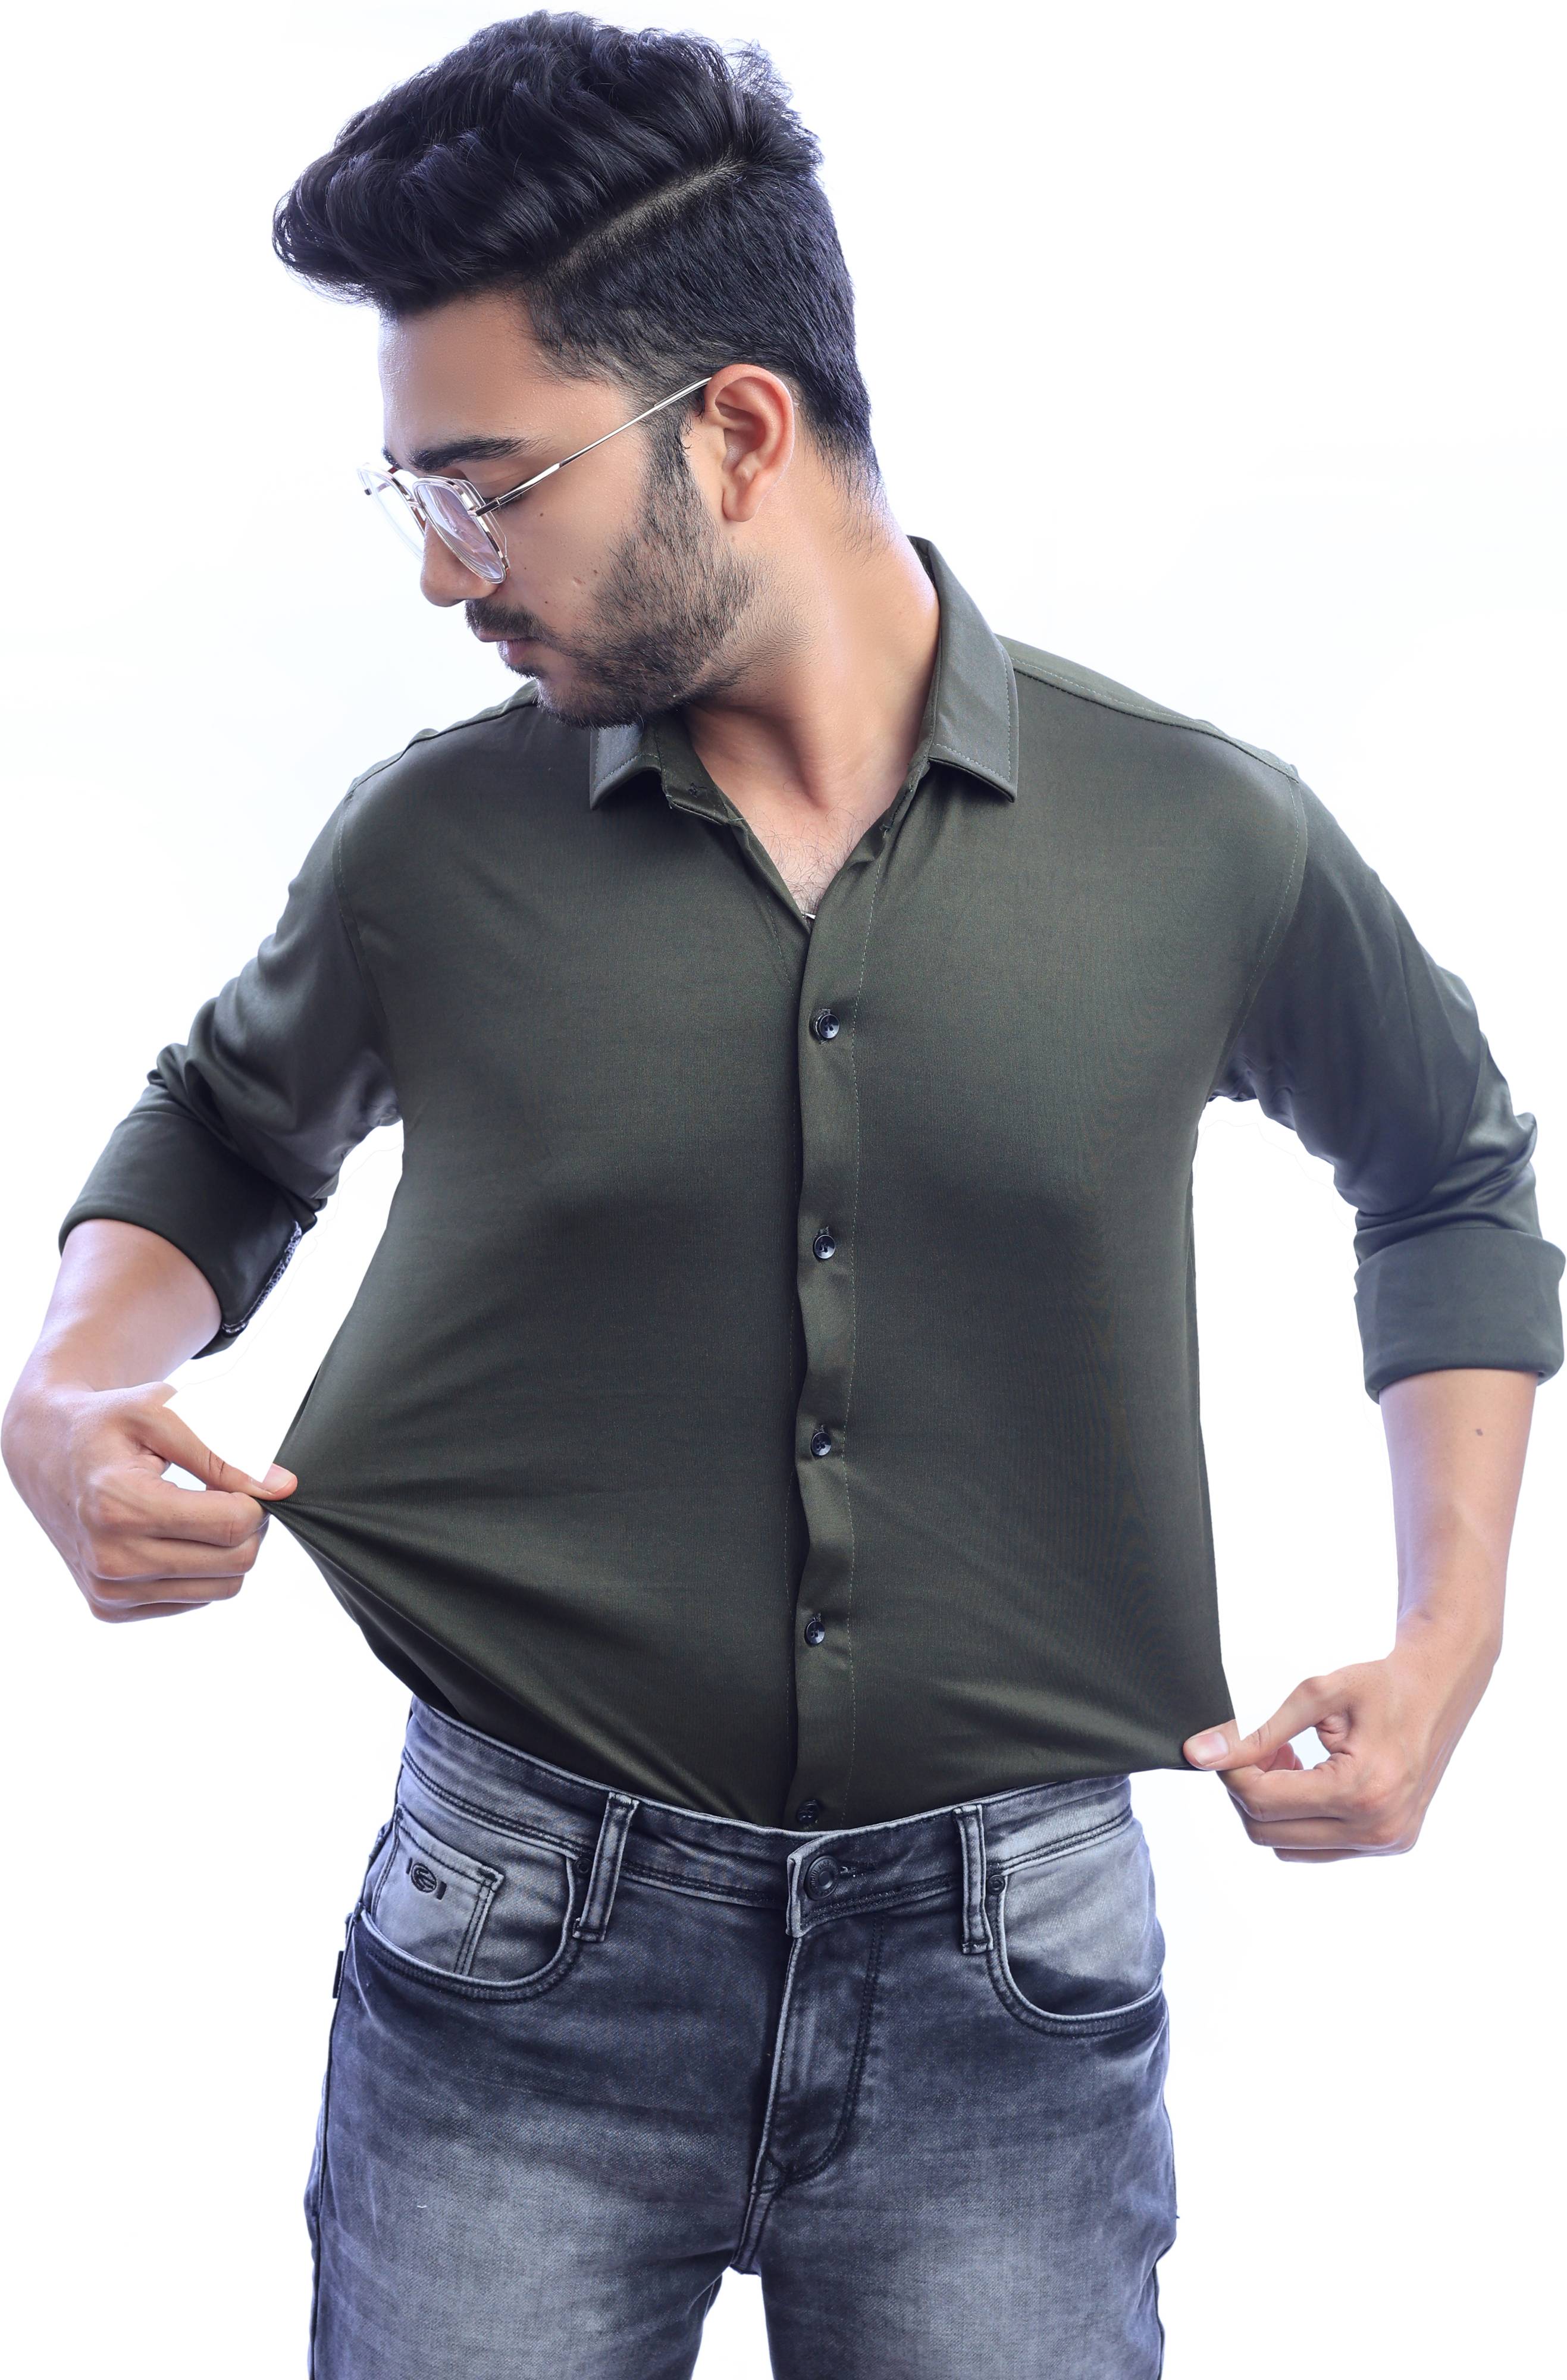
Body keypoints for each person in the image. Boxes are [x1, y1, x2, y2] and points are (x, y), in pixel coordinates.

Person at [4, 12, 1560, 2377]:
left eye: (488, 490)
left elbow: (1442, 1169)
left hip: (1015, 1974)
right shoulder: (431, 847)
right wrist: (64, 1394)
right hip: (516, 1942)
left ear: (734, 431)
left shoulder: (1200, 838)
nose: (441, 572)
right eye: (411, 498)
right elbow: (221, 1132)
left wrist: (1451, 1637)